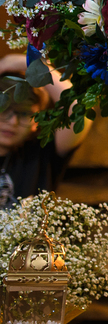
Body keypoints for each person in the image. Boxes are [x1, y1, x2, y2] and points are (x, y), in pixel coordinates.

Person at [0, 53, 92, 208]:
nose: (13, 122)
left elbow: (77, 110)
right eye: (4, 110)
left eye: (24, 113)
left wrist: (28, 64)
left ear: (36, 120)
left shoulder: (40, 152)